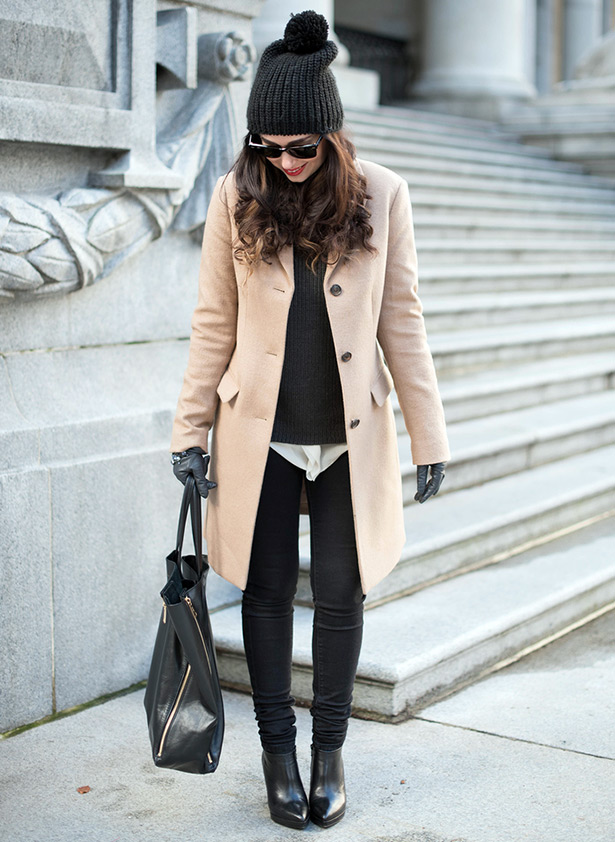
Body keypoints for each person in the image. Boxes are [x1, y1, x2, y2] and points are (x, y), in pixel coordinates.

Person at [169, 9, 450, 831]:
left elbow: (402, 319)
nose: (285, 162)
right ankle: (277, 756)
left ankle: (329, 754)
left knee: (338, 595)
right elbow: (212, 323)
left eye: (301, 147)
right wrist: (188, 431)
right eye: (269, 147)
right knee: (262, 596)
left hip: (348, 439)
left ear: (332, 136)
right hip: (259, 436)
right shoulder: (237, 194)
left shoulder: (382, 195)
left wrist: (429, 435)